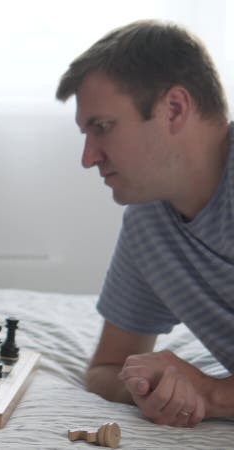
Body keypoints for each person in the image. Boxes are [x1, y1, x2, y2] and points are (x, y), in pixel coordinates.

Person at [56, 20, 234, 427]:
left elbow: (211, 393)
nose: (88, 157)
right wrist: (144, 390)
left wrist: (213, 394)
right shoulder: (148, 222)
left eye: (102, 127)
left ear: (174, 109)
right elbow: (106, 368)